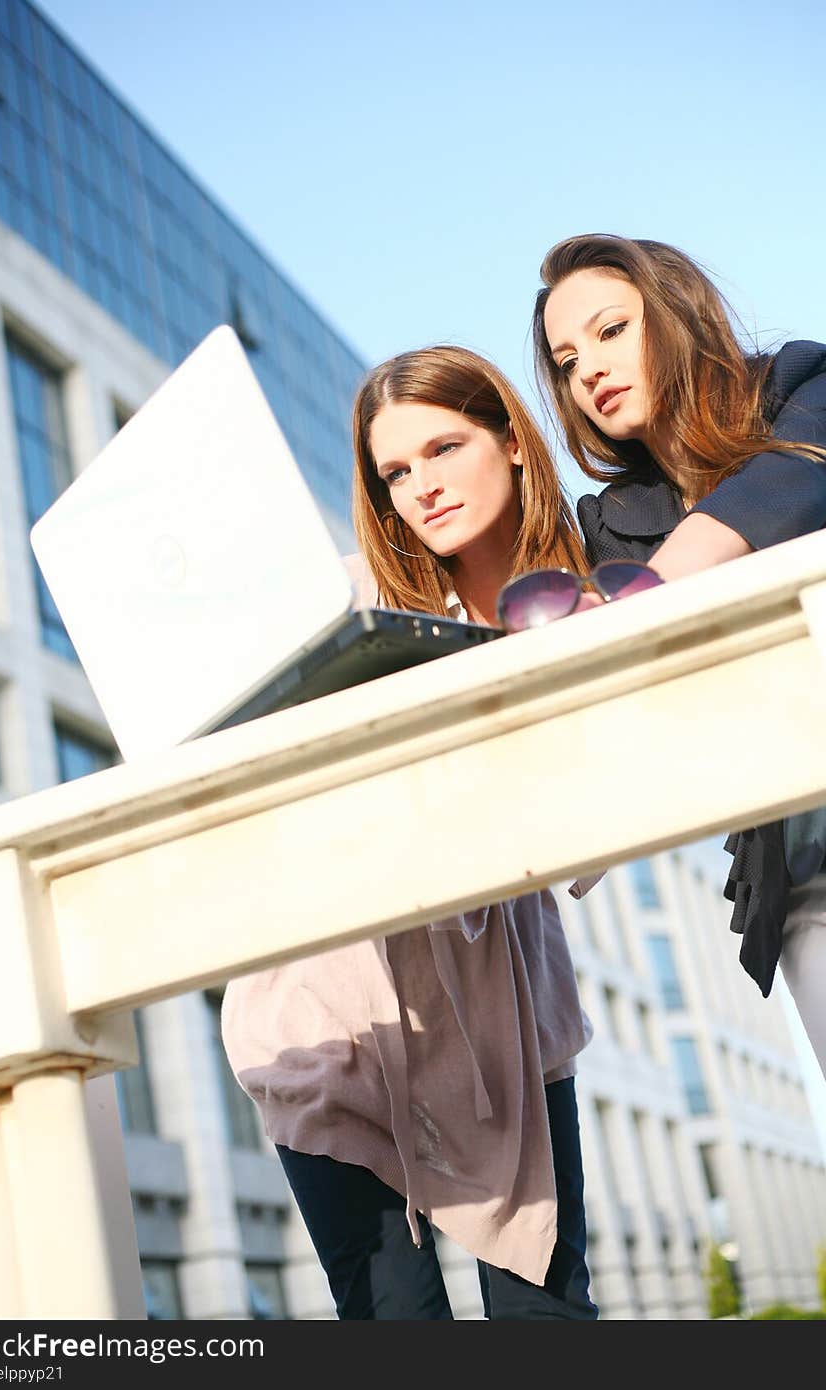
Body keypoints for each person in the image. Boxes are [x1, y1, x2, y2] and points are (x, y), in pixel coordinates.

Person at [221, 344, 600, 1320]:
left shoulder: (582, 596)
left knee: (545, 1318)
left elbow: (598, 829)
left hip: (503, 1014)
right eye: (396, 470)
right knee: (393, 1321)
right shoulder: (340, 605)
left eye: (443, 447)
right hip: (327, 1010)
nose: (422, 487)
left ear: (511, 442)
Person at [532, 233, 826, 1074]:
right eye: (565, 358)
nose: (588, 368)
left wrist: (641, 600)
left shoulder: (804, 384)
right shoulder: (613, 526)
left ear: (674, 312)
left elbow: (793, 483)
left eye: (611, 329)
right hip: (801, 873)